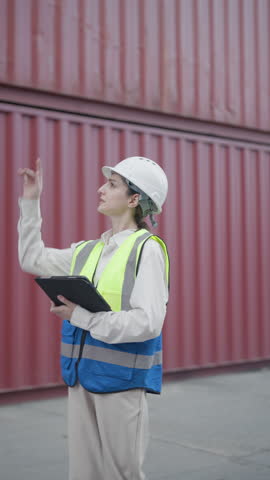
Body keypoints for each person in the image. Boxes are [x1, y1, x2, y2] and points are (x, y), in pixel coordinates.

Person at [17, 156, 170, 480]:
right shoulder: (89, 251)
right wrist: (31, 202)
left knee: (121, 474)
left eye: (112, 184)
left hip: (121, 384)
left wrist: (81, 316)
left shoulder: (148, 250)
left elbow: (148, 323)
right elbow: (32, 258)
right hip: (82, 378)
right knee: (85, 474)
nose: (101, 189)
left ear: (134, 199)